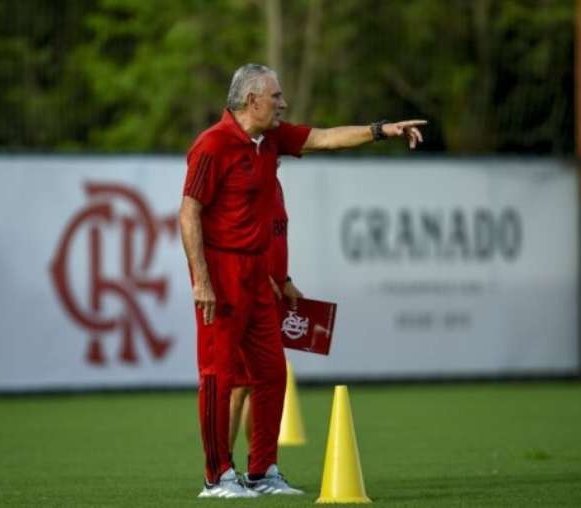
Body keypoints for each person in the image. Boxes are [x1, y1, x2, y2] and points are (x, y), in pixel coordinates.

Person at [179, 63, 425, 499]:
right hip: (222, 273)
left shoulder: (271, 138)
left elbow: (327, 138)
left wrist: (381, 129)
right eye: (276, 96)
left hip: (258, 275)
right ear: (251, 100)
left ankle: (261, 472)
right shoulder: (211, 145)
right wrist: (201, 280)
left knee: (272, 373)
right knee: (218, 376)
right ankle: (216, 477)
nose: (283, 103)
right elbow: (189, 212)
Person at [228, 172, 302, 474]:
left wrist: (284, 280)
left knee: (259, 382)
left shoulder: (273, 182)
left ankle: (257, 466)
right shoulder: (249, 181)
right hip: (248, 292)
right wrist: (263, 278)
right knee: (239, 385)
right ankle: (221, 470)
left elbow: (274, 239)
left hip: (269, 292)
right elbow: (240, 238)